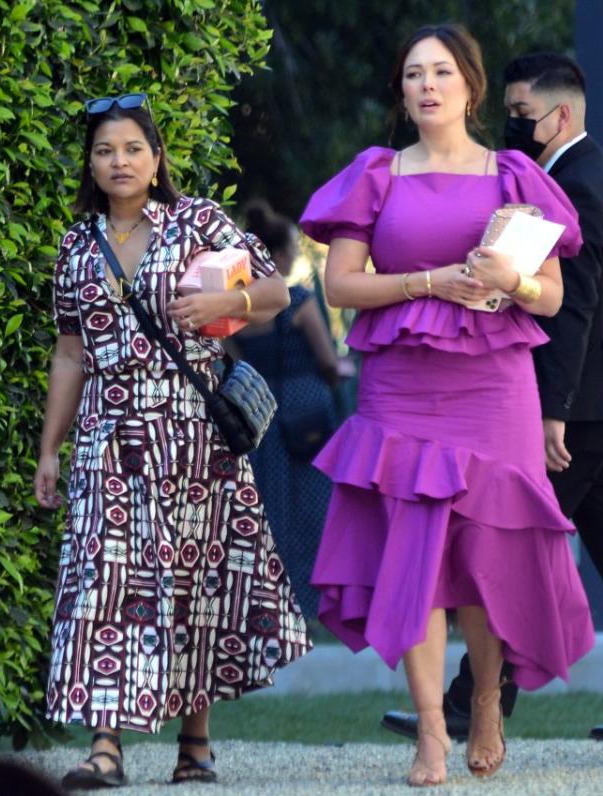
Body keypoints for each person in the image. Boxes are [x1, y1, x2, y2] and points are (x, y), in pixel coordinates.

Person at [299, 25, 594, 786]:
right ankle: (432, 728)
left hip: (494, 386)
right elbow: (339, 287)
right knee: (414, 558)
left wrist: (509, 282)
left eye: (440, 72)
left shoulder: (515, 177)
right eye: (411, 75)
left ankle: (487, 702)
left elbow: (554, 295)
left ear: (470, 85)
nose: (426, 86)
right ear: (401, 92)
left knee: (489, 554)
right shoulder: (375, 174)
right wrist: (430, 282)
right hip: (402, 387)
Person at [34, 92, 309, 789]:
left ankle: (195, 743)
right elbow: (70, 353)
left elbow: (276, 292)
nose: (118, 161)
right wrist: (48, 449)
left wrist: (227, 303)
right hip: (107, 435)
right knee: (103, 580)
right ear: (90, 166)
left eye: (131, 148)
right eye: (104, 150)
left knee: (195, 579)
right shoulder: (73, 244)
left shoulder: (198, 223)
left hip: (193, 436)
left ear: (157, 159)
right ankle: (105, 747)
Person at [382, 51, 603, 745]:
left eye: (521, 116)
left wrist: (552, 408)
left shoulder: (579, 181)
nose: (513, 128)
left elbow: (575, 305)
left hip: (575, 409)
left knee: (505, 555)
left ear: (559, 115)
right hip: (579, 404)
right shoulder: (561, 175)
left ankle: (471, 707)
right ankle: (470, 707)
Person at [231, 201, 343, 618]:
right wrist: (335, 377)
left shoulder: (236, 308)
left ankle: (270, 603)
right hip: (306, 409)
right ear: (276, 255)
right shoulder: (298, 300)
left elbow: (233, 362)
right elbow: (328, 360)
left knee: (269, 505)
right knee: (315, 505)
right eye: (292, 248)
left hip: (259, 412)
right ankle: (314, 603)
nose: (296, 254)